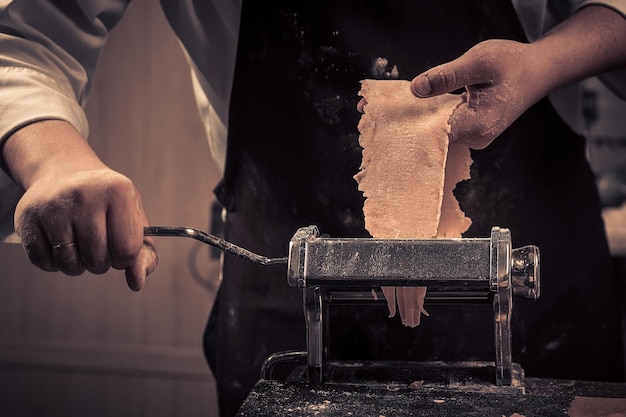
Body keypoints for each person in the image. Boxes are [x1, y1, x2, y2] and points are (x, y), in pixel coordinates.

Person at [1, 1, 625, 415]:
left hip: (540, 313)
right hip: (287, 305)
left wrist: (543, 62)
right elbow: (25, 36)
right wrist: (54, 158)